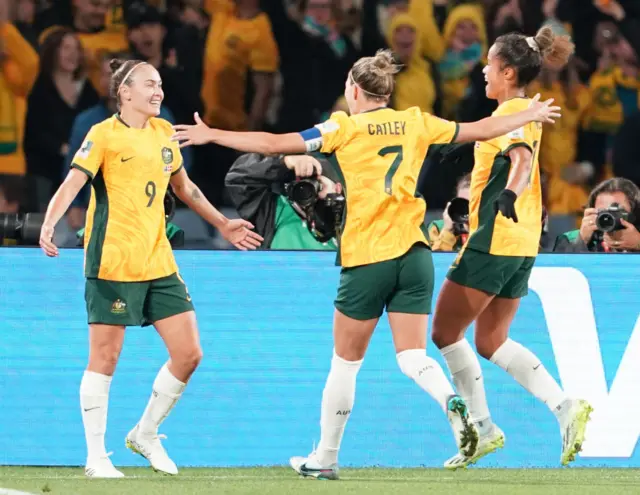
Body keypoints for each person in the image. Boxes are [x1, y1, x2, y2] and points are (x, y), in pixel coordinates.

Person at [172, 49, 561, 479]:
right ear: (387, 92)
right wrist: (530, 113)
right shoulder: (416, 121)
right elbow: (483, 128)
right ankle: (451, 403)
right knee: (412, 353)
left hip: (367, 257)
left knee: (345, 362)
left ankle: (325, 457)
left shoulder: (343, 128)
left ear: (354, 90)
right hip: (415, 255)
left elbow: (270, 142)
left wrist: (212, 134)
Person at [38, 58, 263, 479]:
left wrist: (223, 223)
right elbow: (73, 183)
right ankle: (96, 457)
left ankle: (145, 431)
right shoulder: (102, 135)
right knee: (105, 357)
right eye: (148, 85)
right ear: (124, 92)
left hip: (158, 259)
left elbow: (185, 188)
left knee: (189, 353)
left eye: (159, 84)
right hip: (112, 259)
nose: (158, 91)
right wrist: (49, 223)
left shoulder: (164, 133)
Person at [430, 26, 593, 470]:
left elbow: (519, 161)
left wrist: (509, 195)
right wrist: (467, 149)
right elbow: (502, 145)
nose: (483, 69)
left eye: (488, 63)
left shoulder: (518, 109)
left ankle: (483, 429)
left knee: (445, 334)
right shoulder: (516, 112)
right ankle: (564, 407)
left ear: (506, 71)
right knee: (491, 339)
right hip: (522, 243)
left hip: (495, 237)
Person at [554, 177, 640, 253]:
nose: (608, 217)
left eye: (616, 210)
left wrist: (638, 244)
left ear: (635, 213)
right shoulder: (569, 239)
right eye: (602, 211)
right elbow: (562, 269)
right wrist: (581, 242)